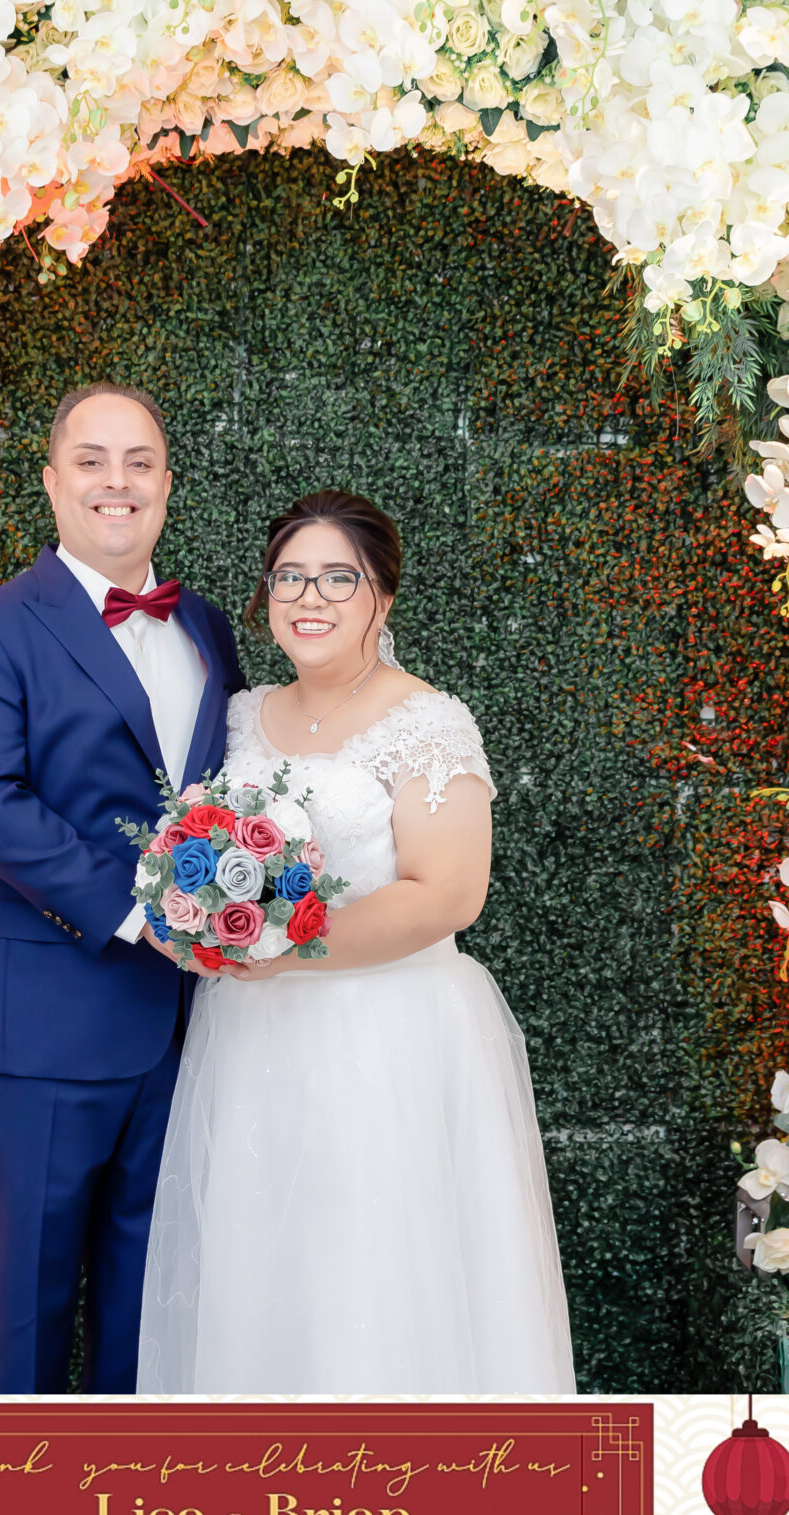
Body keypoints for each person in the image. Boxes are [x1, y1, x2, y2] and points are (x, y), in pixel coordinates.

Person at [135, 490, 576, 1393]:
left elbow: (450, 892)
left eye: (340, 577)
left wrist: (281, 944)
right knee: (261, 1268)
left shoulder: (428, 722)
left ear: (383, 594)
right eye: (290, 577)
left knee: (372, 1268)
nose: (311, 597)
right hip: (251, 1043)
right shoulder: (238, 716)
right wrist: (200, 918)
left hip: (387, 1040)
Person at [0, 382, 246, 1393]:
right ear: (53, 481)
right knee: (24, 1320)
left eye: (139, 462)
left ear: (167, 484)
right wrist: (138, 912)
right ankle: (18, 1497)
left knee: (148, 1323)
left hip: (187, 1029)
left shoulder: (207, 628)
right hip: (41, 1028)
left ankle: (126, 1490)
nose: (118, 482)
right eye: (93, 460)